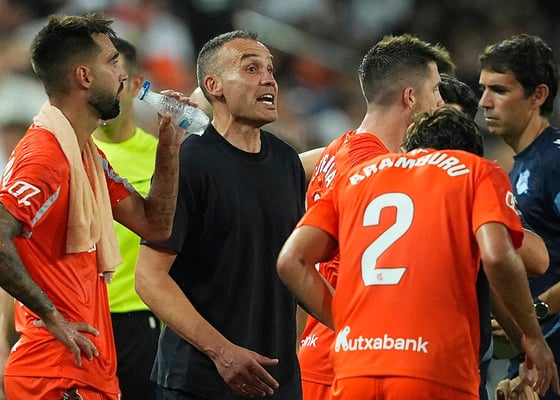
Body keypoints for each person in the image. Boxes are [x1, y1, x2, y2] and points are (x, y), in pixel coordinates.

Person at [277, 105, 559, 400]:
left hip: (356, 366)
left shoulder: (356, 178)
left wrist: (349, 325)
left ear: (404, 150)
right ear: (472, 155)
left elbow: (291, 261)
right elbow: (500, 256)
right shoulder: (474, 172)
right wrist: (533, 338)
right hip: (433, 368)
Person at [0, 13, 185, 399]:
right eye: (113, 62)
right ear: (84, 76)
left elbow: (154, 225)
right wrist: (51, 315)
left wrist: (168, 146)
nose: (123, 74)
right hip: (55, 374)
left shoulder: (85, 155)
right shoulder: (45, 157)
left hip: (85, 369)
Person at [135, 30, 306, 399]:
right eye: (251, 68)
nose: (269, 79)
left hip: (275, 381)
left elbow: (296, 269)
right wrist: (222, 352)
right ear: (214, 86)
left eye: (270, 70)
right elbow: (149, 278)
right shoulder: (190, 162)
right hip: (201, 381)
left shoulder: (287, 161)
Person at [297, 33, 455, 400]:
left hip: (324, 355)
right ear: (410, 97)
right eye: (435, 90)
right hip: (352, 364)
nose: (441, 102)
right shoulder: (379, 173)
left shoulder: (337, 150)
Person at [478, 33, 560, 400]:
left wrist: (537, 310)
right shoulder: (518, 170)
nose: (484, 102)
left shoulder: (555, 160)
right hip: (541, 360)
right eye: (483, 89)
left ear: (538, 95)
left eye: (499, 90)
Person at [92, 37, 159, 400]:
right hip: (80, 316)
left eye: (116, 80)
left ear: (134, 84)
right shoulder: (69, 153)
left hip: (140, 317)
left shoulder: (163, 157)